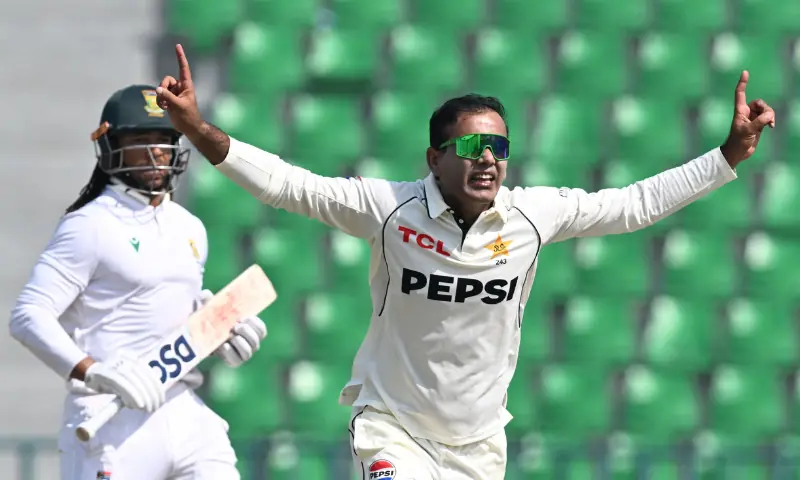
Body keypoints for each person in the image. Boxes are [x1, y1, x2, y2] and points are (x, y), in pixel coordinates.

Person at [155, 44, 775, 479]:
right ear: (434, 158)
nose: (488, 159)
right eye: (472, 145)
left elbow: (635, 204)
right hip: (393, 427)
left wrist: (726, 155)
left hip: (477, 445)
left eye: (498, 146)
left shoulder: (534, 214)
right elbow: (288, 185)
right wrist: (200, 130)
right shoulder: (389, 209)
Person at [8, 84, 268, 480]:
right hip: (110, 416)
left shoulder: (190, 227)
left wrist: (217, 335)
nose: (155, 152)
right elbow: (28, 316)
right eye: (140, 140)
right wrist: (93, 370)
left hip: (183, 407)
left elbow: (163, 318)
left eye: (163, 140)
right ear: (110, 146)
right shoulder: (89, 225)